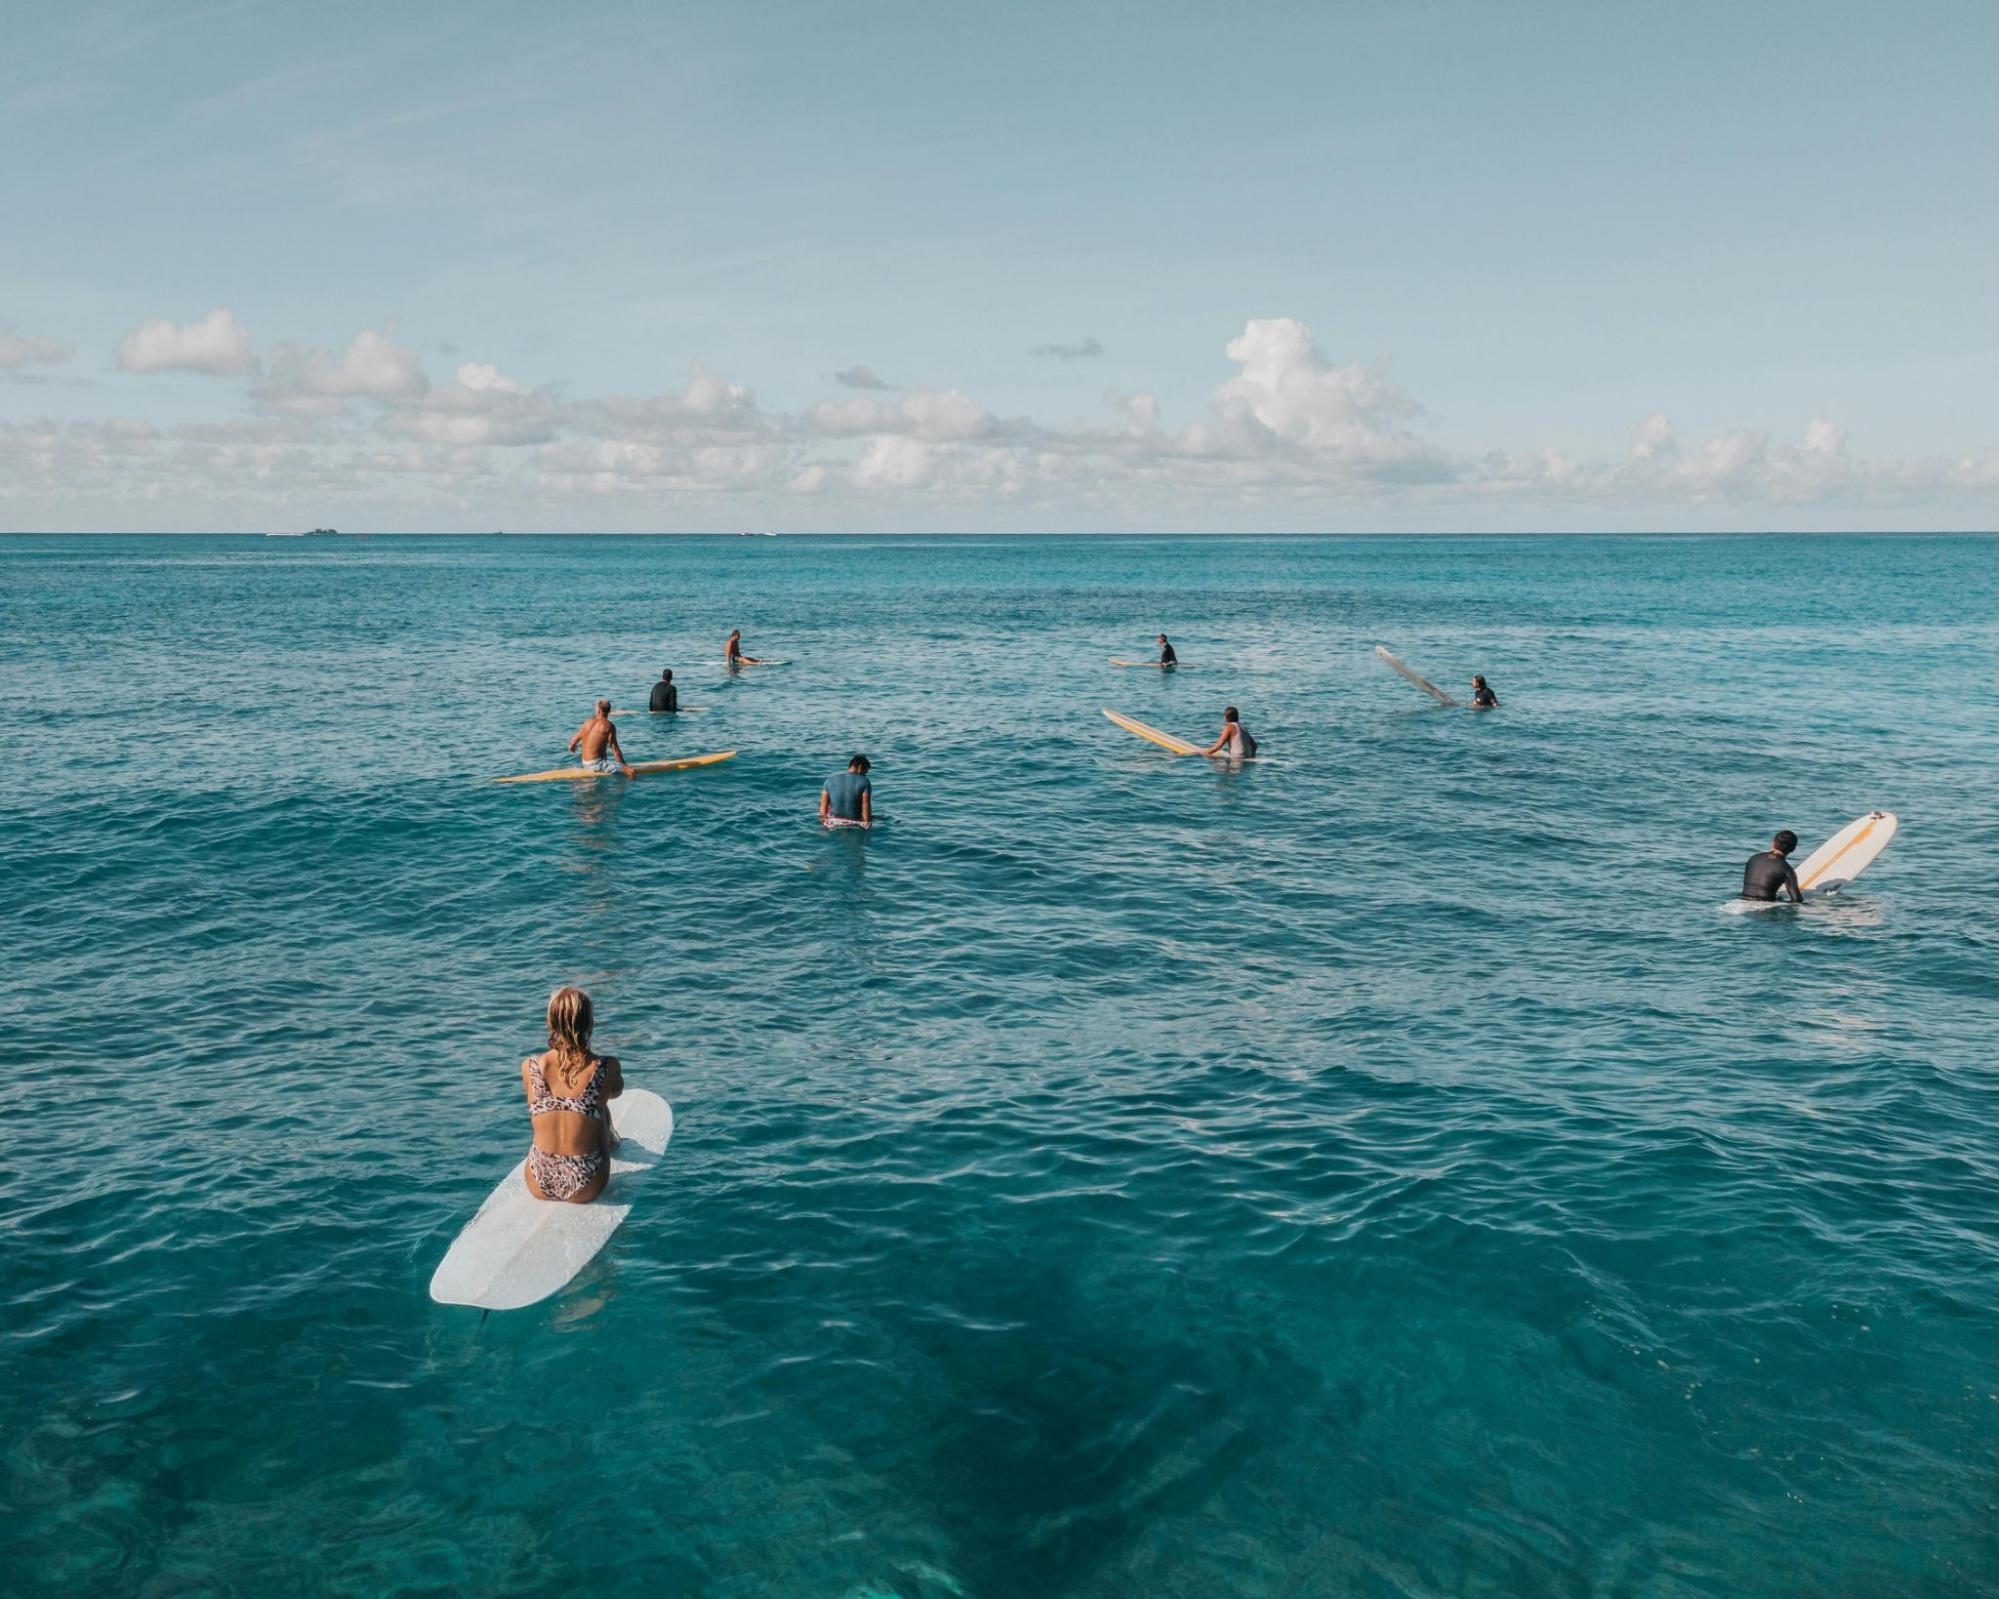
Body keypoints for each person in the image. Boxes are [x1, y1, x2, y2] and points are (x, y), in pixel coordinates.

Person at [521, 986, 624, 1204]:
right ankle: (614, 1143)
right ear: (590, 1024)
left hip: (537, 1182)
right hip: (586, 1184)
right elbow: (617, 1092)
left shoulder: (530, 1067)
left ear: (551, 1023)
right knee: (600, 1109)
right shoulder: (607, 1067)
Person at [568, 700, 634, 777]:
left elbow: (574, 740)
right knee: (631, 771)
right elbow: (615, 749)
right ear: (609, 711)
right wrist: (624, 766)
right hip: (597, 765)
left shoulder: (587, 722)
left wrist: (572, 746)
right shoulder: (609, 726)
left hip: (585, 762)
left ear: (598, 710)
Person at [1742, 830, 1804, 903]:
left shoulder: (1754, 858)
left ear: (1773, 844)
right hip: (1765, 906)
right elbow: (1796, 899)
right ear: (1793, 849)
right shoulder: (1786, 869)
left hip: (1742, 902)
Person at [820, 754, 872, 827]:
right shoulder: (865, 782)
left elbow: (823, 806)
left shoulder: (829, 780)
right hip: (854, 822)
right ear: (860, 768)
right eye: (865, 772)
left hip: (833, 822)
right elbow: (866, 806)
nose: (865, 775)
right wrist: (867, 823)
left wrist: (824, 822)